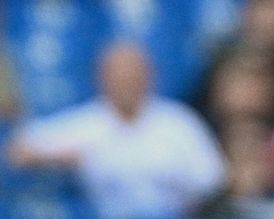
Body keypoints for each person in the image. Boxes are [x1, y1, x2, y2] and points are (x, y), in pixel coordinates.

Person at [6, 42, 227, 218]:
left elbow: (212, 180)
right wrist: (56, 156)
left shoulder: (179, 122)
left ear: (150, 76)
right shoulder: (86, 123)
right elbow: (20, 149)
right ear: (101, 77)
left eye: (133, 74)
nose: (125, 82)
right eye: (118, 74)